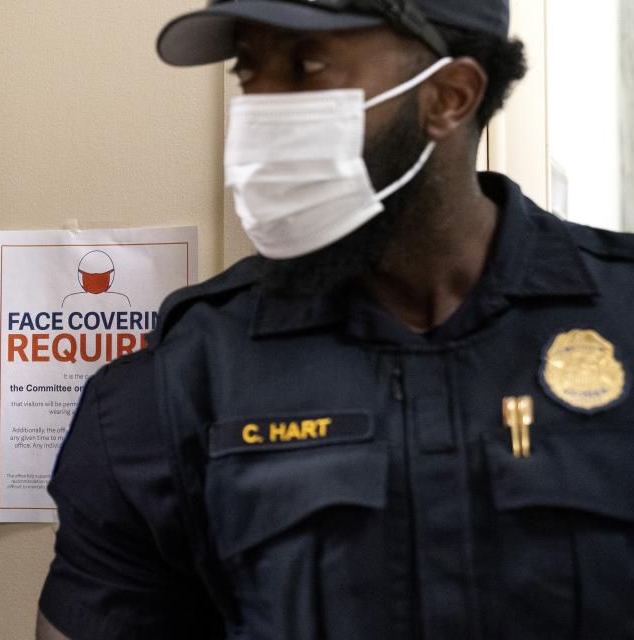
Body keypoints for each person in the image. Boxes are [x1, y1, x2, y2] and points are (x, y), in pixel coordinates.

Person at [37, 1, 634, 638]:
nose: (259, 111)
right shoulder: (180, 381)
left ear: (449, 96)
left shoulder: (620, 313)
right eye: (249, 73)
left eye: (307, 66)